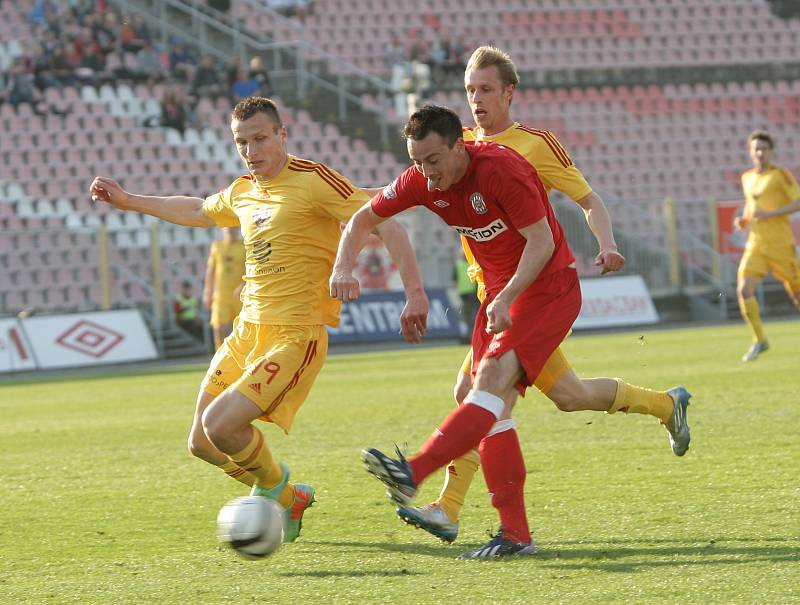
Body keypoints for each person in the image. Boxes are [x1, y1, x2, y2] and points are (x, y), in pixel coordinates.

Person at [329, 105, 692, 559]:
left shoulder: (503, 169)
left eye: (433, 160)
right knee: (552, 396)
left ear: (458, 147)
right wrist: (344, 265)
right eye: (417, 161)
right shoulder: (422, 178)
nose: (426, 171)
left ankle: (419, 475)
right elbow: (365, 217)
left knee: (485, 386)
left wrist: (506, 297)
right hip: (499, 298)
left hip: (547, 288)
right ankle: (517, 531)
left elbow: (541, 243)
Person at [89, 96, 427, 545]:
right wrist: (129, 201)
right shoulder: (244, 189)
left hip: (294, 334)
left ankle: (274, 491)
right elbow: (196, 211)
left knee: (222, 426)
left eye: (261, 139)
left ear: (282, 136)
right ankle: (288, 496)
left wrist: (415, 293)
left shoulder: (314, 180)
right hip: (247, 331)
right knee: (202, 443)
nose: (252, 150)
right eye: (242, 142)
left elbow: (386, 222)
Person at [734, 129, 800, 362]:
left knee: (797, 295)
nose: (760, 152)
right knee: (744, 289)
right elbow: (751, 207)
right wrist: (744, 219)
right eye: (756, 149)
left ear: (771, 151)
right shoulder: (747, 177)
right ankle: (759, 340)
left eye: (764, 148)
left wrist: (772, 214)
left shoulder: (780, 175)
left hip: (781, 245)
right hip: (756, 245)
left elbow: (797, 203)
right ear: (751, 152)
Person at [204, 227, 246, 350]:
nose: (230, 231)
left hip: (240, 294)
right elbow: (211, 270)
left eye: (233, 229)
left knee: (241, 328)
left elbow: (251, 268)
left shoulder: (244, 246)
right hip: (221, 294)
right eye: (228, 229)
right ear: (223, 230)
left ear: (238, 230)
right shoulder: (217, 246)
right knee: (218, 327)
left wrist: (244, 284)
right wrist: (207, 291)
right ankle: (219, 354)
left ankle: (241, 354)